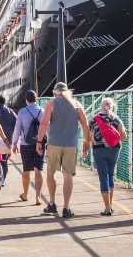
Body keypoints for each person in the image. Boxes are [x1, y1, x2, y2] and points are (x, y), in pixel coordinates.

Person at [36, 82, 91, 218]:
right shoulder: (77, 104)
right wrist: (87, 141)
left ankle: (52, 203)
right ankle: (66, 208)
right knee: (68, 176)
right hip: (71, 145)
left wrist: (39, 141)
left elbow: (44, 123)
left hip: (54, 143)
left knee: (50, 173)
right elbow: (85, 124)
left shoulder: (52, 103)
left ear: (55, 92)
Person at [89, 97, 128, 216]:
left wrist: (99, 142)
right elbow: (124, 136)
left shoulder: (94, 120)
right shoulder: (116, 119)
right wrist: (112, 141)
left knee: (103, 177)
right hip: (114, 150)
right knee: (110, 175)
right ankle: (110, 205)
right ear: (112, 107)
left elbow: (90, 137)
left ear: (101, 106)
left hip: (99, 150)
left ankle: (107, 209)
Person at [10, 90, 44, 205]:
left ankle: (25, 194)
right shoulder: (42, 111)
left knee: (26, 170)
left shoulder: (22, 112)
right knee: (38, 170)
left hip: (26, 144)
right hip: (40, 143)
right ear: (36, 99)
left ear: (26, 100)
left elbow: (17, 129)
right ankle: (38, 197)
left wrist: (14, 143)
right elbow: (47, 128)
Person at [0, 95, 17, 187]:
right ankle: (2, 180)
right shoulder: (10, 111)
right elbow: (17, 125)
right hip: (7, 140)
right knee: (4, 161)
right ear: (4, 101)